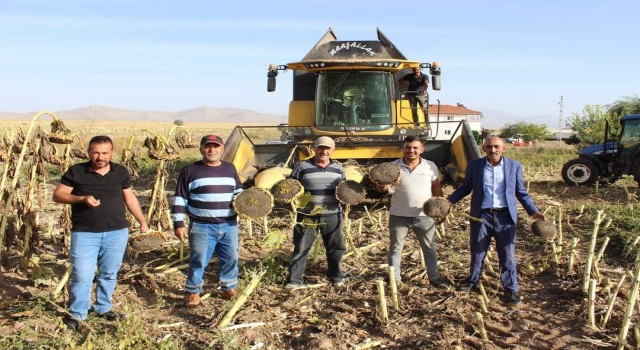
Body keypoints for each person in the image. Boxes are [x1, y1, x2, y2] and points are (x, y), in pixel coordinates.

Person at [52, 135, 149, 330]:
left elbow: (130, 198)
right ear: (88, 152)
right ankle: (78, 313)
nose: (100, 157)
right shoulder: (76, 171)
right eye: (95, 152)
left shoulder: (120, 172)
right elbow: (58, 195)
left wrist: (143, 222)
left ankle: (103, 308)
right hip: (85, 233)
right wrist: (82, 198)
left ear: (112, 152)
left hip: (117, 232)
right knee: (82, 274)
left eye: (105, 153)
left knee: (109, 273)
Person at [447, 136, 545, 304]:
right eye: (489, 147)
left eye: (496, 147)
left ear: (503, 148)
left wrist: (533, 212)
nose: (493, 150)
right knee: (477, 252)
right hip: (481, 216)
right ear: (484, 148)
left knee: (507, 254)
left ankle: (511, 289)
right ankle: (472, 282)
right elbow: (465, 188)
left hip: (505, 216)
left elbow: (521, 192)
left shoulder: (514, 166)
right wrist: (448, 201)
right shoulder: (475, 166)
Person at [172, 135, 243, 308]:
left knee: (230, 257)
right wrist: (178, 223)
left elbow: (239, 192)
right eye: (208, 146)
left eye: (216, 146)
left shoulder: (230, 169)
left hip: (229, 224)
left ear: (222, 149)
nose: (212, 150)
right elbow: (181, 198)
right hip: (202, 225)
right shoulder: (190, 170)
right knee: (199, 260)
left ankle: (229, 286)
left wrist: (248, 205)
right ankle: (193, 291)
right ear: (201, 148)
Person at [378, 136, 447, 288]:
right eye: (408, 147)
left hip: (424, 215)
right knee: (396, 248)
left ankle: (434, 278)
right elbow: (388, 189)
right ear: (403, 149)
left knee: (429, 248)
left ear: (422, 149)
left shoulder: (430, 166)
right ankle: (395, 280)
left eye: (415, 148)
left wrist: (440, 208)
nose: (411, 150)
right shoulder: (392, 167)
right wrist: (382, 188)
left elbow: (436, 186)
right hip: (399, 215)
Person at [285, 136, 346, 290]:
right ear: (314, 148)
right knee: (301, 247)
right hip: (307, 214)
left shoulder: (339, 169)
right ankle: (294, 280)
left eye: (327, 148)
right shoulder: (301, 166)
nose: (324, 151)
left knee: (335, 247)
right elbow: (291, 188)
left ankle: (336, 277)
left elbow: (344, 191)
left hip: (332, 213)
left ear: (333, 150)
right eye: (320, 148)